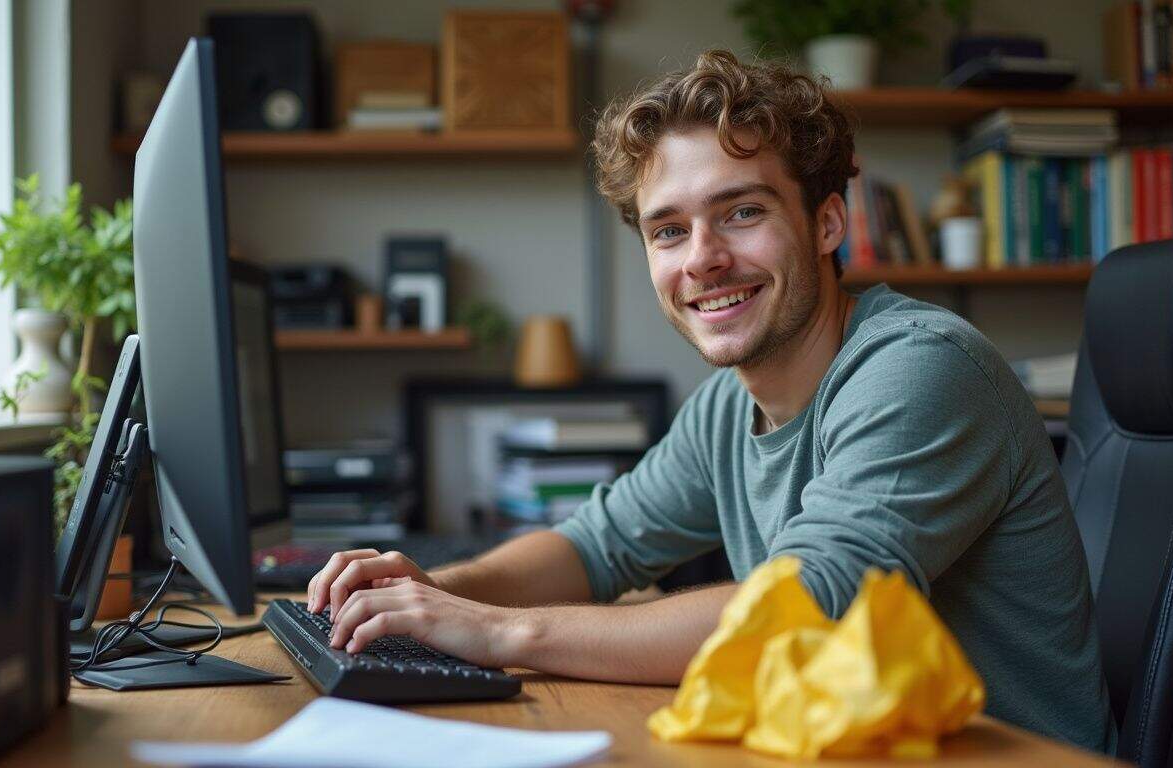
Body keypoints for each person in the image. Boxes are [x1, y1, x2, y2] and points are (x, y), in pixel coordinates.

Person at [306, 50, 1115, 752]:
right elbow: (596, 546)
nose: (704, 260)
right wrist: (436, 589)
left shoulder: (923, 370)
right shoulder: (727, 407)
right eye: (668, 231)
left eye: (743, 212)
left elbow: (808, 606)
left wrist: (496, 632)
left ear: (827, 221)